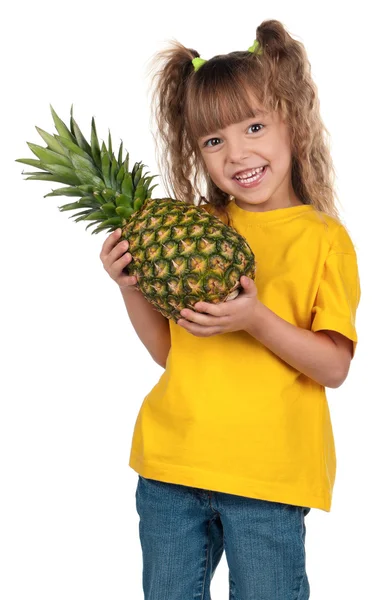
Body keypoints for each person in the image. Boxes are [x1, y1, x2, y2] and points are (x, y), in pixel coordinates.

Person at [99, 19, 361, 600]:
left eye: (255, 126)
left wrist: (257, 319)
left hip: (268, 477)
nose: (237, 152)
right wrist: (130, 288)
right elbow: (173, 353)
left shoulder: (322, 239)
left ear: (291, 120)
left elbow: (335, 367)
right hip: (170, 465)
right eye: (214, 141)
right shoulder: (194, 230)